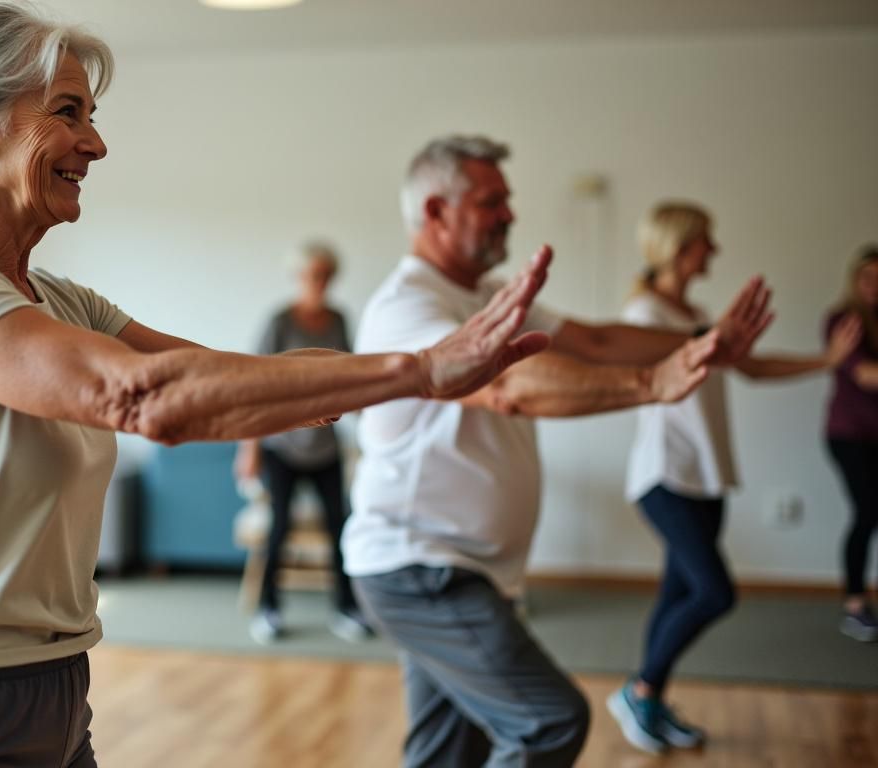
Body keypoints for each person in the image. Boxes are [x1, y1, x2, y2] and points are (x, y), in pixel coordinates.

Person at [0, 7, 556, 766]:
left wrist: (426, 371)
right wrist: (420, 371)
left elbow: (236, 377)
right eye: (67, 113)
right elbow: (146, 399)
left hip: (53, 690)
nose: (95, 143)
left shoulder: (61, 302)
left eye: (91, 116)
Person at [343, 136, 775, 768]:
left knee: (448, 751)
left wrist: (704, 339)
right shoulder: (408, 305)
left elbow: (595, 341)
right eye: (493, 202)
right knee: (548, 721)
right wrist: (652, 384)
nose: (510, 215)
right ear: (435, 212)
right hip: (419, 568)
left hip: (462, 568)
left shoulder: (489, 296)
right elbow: (508, 388)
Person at [606, 201, 861, 754]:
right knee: (714, 592)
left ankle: (649, 701)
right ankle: (639, 689)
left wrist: (825, 362)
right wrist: (715, 335)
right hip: (665, 475)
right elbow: (648, 370)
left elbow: (749, 366)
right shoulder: (646, 315)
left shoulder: (691, 311)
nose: (714, 252)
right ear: (680, 248)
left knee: (678, 591)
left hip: (706, 475)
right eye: (706, 242)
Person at [234, 242, 371, 644]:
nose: (319, 282)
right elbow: (251, 384)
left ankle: (347, 608)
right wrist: (250, 450)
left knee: (339, 527)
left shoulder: (339, 320)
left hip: (326, 447)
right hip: (282, 447)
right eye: (313, 274)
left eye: (326, 274)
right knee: (279, 530)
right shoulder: (278, 322)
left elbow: (349, 375)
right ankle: (269, 609)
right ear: (299, 277)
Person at [825, 244, 878, 643]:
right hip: (849, 435)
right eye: (868, 277)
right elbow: (865, 375)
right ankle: (855, 604)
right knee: (866, 511)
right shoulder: (843, 321)